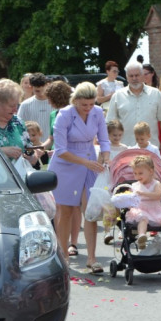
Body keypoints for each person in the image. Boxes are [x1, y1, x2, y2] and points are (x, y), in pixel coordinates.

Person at [48, 82, 110, 271]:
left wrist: (105, 157)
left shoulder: (98, 112)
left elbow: (105, 139)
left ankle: (92, 258)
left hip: (90, 160)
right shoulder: (64, 114)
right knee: (66, 211)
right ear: (75, 101)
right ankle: (63, 254)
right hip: (66, 164)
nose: (88, 108)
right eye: (84, 105)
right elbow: (60, 150)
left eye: (92, 104)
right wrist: (85, 162)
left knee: (90, 211)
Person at [107, 61, 161, 157]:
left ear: (143, 75)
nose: (134, 79)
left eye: (137, 75)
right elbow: (110, 123)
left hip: (150, 148)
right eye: (131, 76)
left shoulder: (156, 94)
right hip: (125, 148)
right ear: (126, 77)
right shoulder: (117, 96)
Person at [126, 154, 161, 257]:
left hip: (155, 210)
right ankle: (141, 237)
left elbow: (157, 195)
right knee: (143, 218)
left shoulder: (156, 184)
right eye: (135, 173)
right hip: (141, 209)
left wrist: (142, 194)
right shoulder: (134, 186)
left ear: (150, 171)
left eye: (140, 173)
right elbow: (130, 199)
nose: (137, 176)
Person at [0, 79, 37, 165]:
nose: (15, 110)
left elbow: (28, 150)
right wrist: (1, 151)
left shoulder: (17, 122)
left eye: (17, 105)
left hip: (17, 177)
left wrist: (32, 157)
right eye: (11, 106)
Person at [17, 73, 53, 139]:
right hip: (33, 146)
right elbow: (19, 126)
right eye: (35, 85)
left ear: (47, 85)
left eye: (41, 85)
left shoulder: (55, 103)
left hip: (54, 146)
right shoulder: (25, 104)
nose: (38, 88)